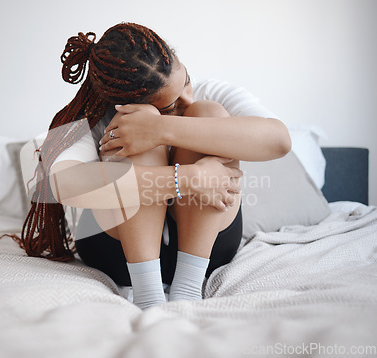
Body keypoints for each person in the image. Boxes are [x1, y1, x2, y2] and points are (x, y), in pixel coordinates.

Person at [17, 22, 291, 310]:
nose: (188, 98)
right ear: (122, 103)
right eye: (170, 106)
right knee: (129, 136)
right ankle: (149, 296)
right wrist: (188, 178)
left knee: (207, 112)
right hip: (117, 252)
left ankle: (188, 288)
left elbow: (280, 141)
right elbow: (64, 184)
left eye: (186, 80)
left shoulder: (209, 93)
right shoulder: (95, 115)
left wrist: (162, 127)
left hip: (209, 249)